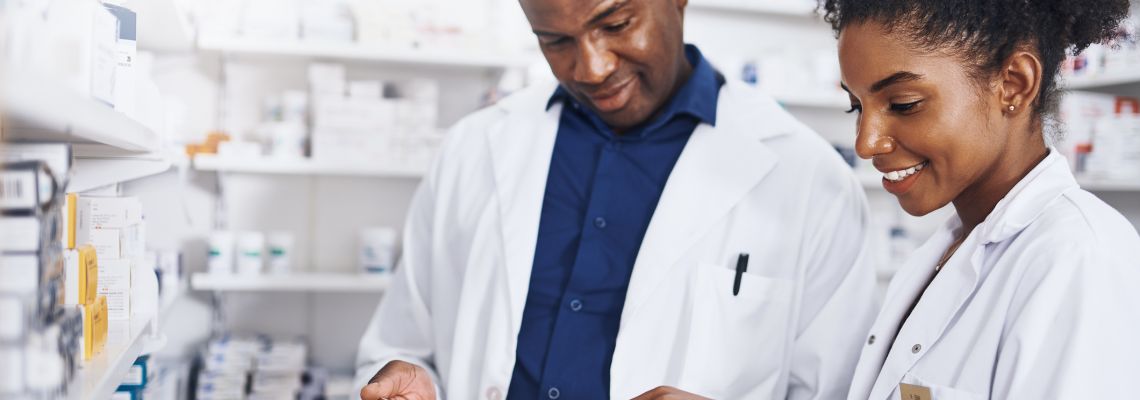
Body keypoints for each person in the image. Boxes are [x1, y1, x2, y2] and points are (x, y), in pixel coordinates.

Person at [356, 0, 878, 398]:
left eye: (615, 24)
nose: (592, 67)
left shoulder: (812, 182)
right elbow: (403, 342)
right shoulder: (473, 148)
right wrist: (405, 375)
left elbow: (838, 388)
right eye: (555, 40)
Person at [825, 0, 1140, 398]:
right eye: (856, 106)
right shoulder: (941, 252)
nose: (866, 143)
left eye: (903, 104)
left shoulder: (1080, 259)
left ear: (1014, 84)